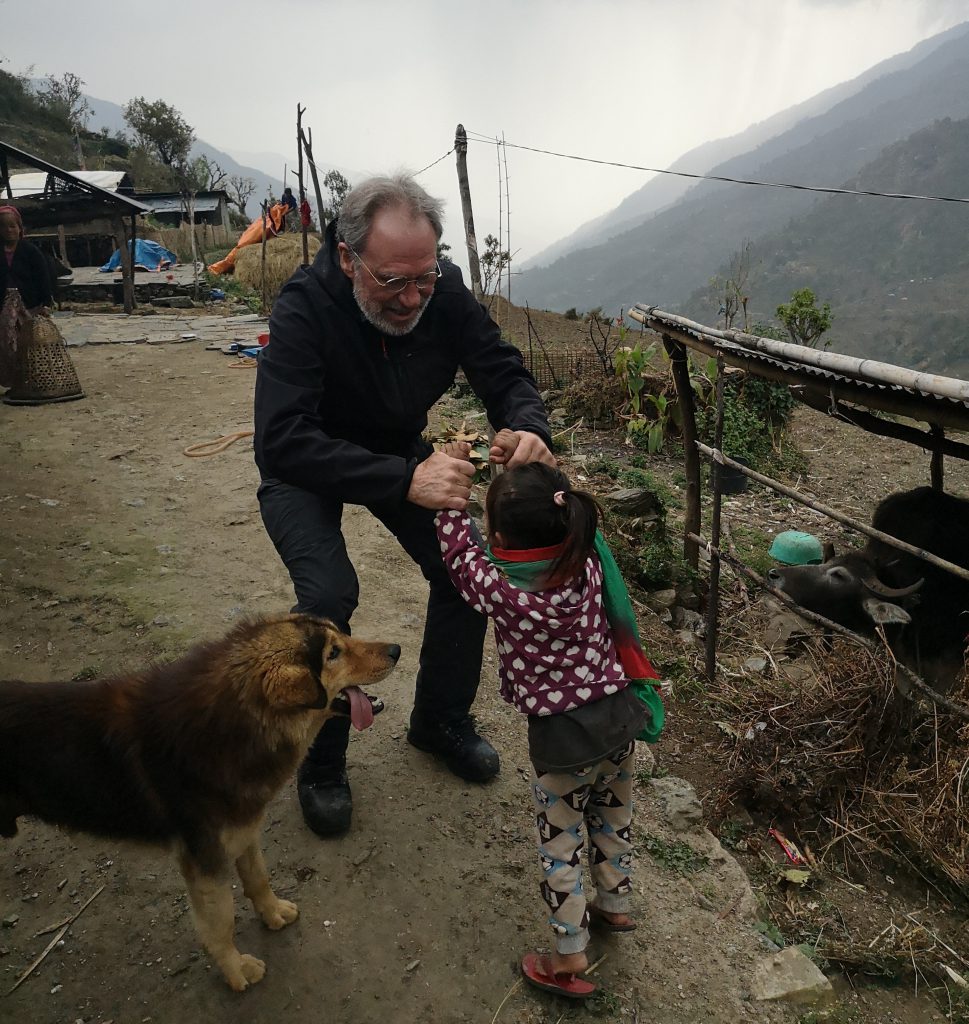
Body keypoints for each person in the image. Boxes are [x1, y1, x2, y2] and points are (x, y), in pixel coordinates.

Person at [253, 174, 555, 838]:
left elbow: (502, 370)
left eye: (424, 279)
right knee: (328, 593)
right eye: (392, 282)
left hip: (396, 450)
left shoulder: (439, 289)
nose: (413, 297)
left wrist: (528, 425)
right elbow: (281, 441)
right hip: (305, 467)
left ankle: (439, 723)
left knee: (466, 571)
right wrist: (401, 480)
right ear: (346, 257)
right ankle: (322, 763)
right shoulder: (303, 309)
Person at [434, 455, 665, 1000]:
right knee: (613, 819)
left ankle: (568, 956)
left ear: (496, 536)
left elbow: (459, 557)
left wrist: (450, 503)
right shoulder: (586, 561)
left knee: (560, 844)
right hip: (616, 721)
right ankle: (615, 906)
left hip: (562, 744)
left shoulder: (499, 588)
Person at [0, 205, 54, 390]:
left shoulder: (30, 251)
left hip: (29, 304)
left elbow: (43, 278)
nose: (8, 230)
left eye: (12, 226)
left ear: (20, 228)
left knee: (30, 343)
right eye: (3, 227)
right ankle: (15, 383)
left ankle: (33, 381)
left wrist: (46, 303)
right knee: (8, 346)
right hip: (3, 307)